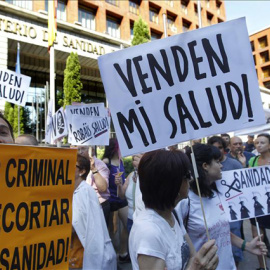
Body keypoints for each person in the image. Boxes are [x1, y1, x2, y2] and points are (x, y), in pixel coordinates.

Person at [176, 144, 267, 270]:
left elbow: (219, 229)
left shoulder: (217, 192)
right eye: (217, 162)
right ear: (205, 166)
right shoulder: (185, 202)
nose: (221, 166)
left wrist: (246, 245)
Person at [129, 149, 219, 270]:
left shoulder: (171, 215)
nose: (191, 179)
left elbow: (192, 256)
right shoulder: (149, 232)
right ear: (171, 184)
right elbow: (193, 263)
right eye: (187, 175)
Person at [70, 154, 116, 270]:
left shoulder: (86, 191)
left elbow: (87, 226)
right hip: (73, 253)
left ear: (82, 171)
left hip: (83, 256)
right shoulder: (70, 190)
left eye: (72, 164)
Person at [208, 136, 244, 268]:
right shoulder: (207, 166)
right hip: (216, 211)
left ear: (224, 148)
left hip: (233, 212)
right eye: (213, 148)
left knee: (235, 249)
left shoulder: (235, 164)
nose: (217, 150)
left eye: (220, 147)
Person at [102, 138, 129, 263]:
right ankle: (113, 256)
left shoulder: (121, 160)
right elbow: (103, 183)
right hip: (111, 199)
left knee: (128, 224)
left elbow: (123, 179)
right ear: (114, 148)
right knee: (112, 230)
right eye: (119, 147)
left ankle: (123, 253)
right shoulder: (106, 161)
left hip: (121, 197)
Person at [249, 133, 270, 270]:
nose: (259, 145)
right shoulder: (252, 160)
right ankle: (263, 267)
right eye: (257, 143)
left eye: (262, 142)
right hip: (257, 203)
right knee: (258, 236)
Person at [76, 145, 110, 226]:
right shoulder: (78, 164)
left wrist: (94, 169)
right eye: (78, 149)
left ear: (92, 151)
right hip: (83, 205)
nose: (80, 152)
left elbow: (103, 188)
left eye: (83, 149)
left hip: (99, 206)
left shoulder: (100, 165)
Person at [115, 154, 142, 234]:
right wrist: (119, 185)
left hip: (143, 220)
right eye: (133, 159)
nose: (134, 161)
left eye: (137, 158)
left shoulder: (149, 175)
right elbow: (122, 196)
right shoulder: (131, 175)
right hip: (130, 219)